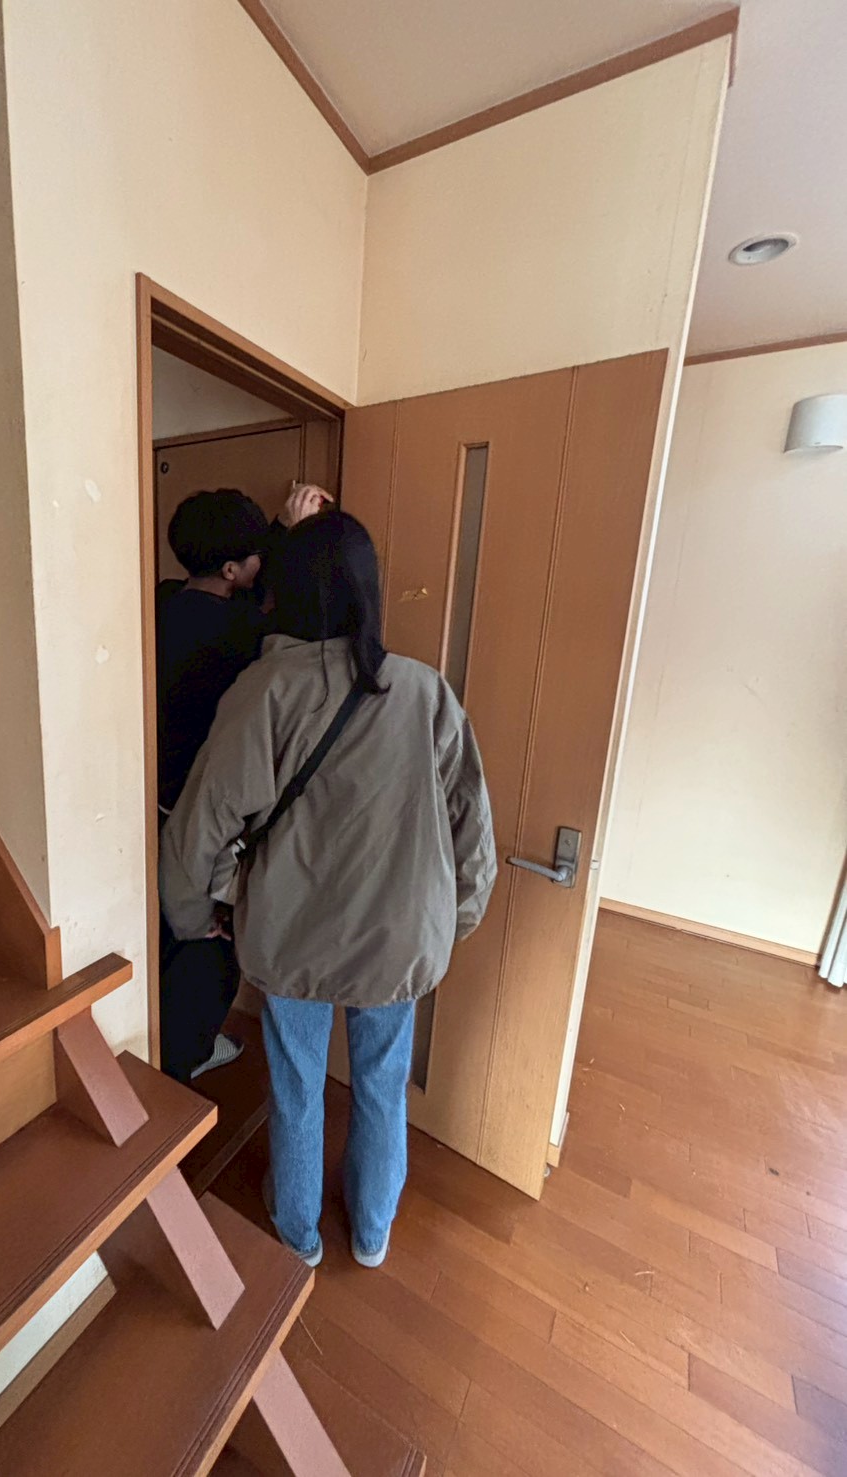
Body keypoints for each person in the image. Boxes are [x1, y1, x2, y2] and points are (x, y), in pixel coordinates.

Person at [160, 511, 497, 1267]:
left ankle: (298, 1229)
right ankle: (372, 1232)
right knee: (382, 1085)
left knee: (297, 1084)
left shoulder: (264, 691)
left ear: (283, 590)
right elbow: (473, 831)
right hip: (398, 937)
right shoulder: (425, 692)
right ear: (369, 591)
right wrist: (454, 920)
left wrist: (191, 914)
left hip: (293, 936)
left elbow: (201, 824)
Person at [157, 483, 329, 1084]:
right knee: (212, 942)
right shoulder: (247, 635)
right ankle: (187, 1056)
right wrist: (291, 537)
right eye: (254, 555)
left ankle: (157, 1043)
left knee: (167, 933)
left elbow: (244, 589)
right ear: (233, 570)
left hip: (153, 799)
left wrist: (277, 529)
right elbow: (275, 611)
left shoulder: (161, 603)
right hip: (213, 810)